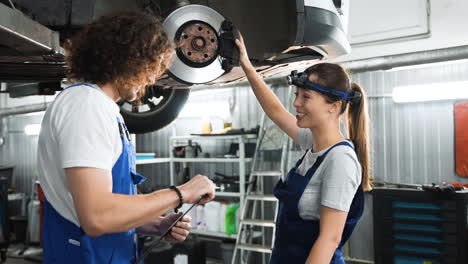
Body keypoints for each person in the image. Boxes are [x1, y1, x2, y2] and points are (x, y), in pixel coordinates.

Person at [37, 11, 216, 264]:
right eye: (152, 67)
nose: (153, 78)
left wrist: (153, 224)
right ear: (128, 59)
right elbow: (97, 216)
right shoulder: (87, 105)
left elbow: (99, 207)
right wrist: (181, 192)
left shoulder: (102, 107)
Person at [235, 36, 371, 264]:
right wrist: (247, 66)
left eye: (305, 97)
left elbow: (329, 239)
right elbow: (276, 111)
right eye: (297, 95)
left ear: (334, 107)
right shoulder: (312, 142)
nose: (296, 103)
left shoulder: (340, 160)